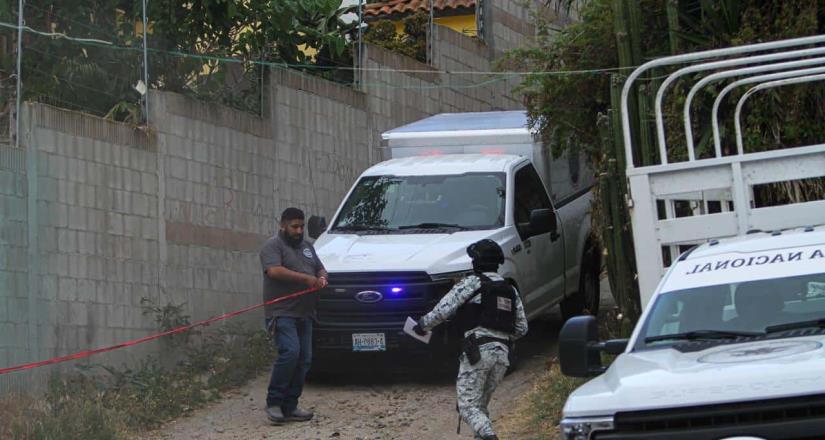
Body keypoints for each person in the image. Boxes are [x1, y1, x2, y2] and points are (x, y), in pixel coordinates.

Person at [413, 239, 528, 440]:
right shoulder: (510, 290)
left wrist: (422, 325)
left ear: (477, 262)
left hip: (477, 352)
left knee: (466, 406)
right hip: (503, 355)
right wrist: (499, 337)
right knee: (479, 407)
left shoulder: (472, 283)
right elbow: (522, 328)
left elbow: (443, 309)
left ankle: (490, 436)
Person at [259, 207, 328, 424]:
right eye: (294, 226)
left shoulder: (308, 247)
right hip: (282, 312)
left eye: (301, 226)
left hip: (305, 313)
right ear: (283, 225)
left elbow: (321, 269)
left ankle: (291, 405)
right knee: (290, 352)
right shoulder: (273, 246)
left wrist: (322, 278)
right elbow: (274, 271)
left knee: (304, 359)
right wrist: (306, 279)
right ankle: (274, 402)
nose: (299, 231)